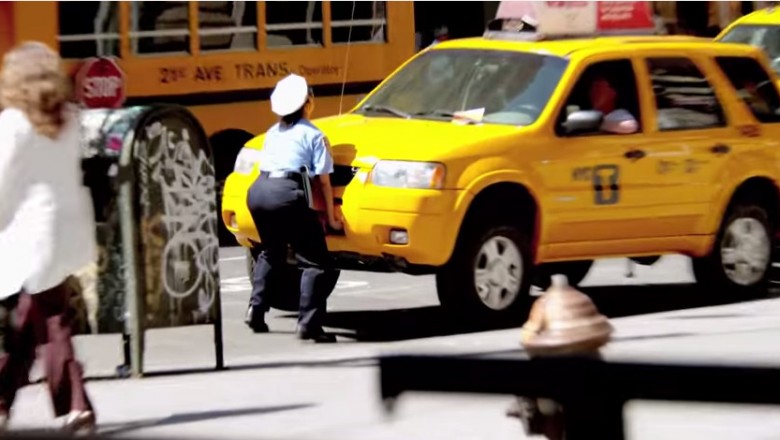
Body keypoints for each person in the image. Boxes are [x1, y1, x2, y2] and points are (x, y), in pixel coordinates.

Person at [0, 42, 97, 433]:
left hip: (26, 233)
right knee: (32, 319)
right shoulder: (70, 118)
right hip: (64, 228)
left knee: (51, 319)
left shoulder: (13, 123)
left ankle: (75, 406)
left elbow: (3, 181)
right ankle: (5, 400)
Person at [244, 73, 343, 343]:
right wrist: (332, 220)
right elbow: (323, 181)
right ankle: (309, 325)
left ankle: (256, 309)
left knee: (270, 251)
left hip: (258, 192)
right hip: (287, 194)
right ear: (308, 102)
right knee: (316, 262)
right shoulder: (315, 135)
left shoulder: (272, 134)